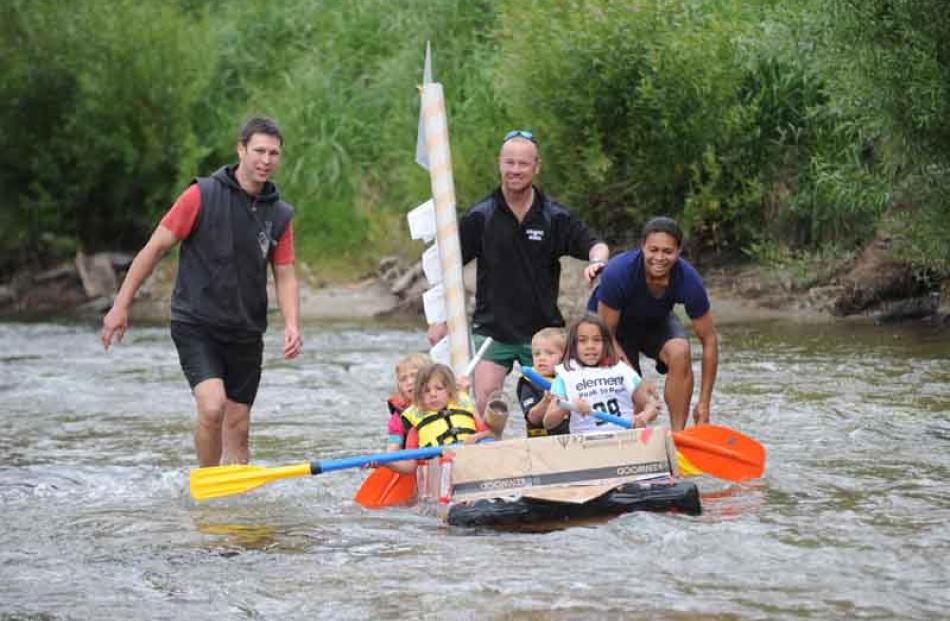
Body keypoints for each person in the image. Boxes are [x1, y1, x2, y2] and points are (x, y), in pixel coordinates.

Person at [100, 116, 302, 467]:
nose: (266, 160)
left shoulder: (279, 214)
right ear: (240, 150)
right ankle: (207, 485)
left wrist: (292, 324)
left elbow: (285, 274)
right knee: (212, 406)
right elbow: (154, 248)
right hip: (197, 323)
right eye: (258, 151)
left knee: (238, 426)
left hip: (246, 329)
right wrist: (120, 306)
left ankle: (235, 504)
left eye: (273, 153)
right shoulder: (201, 195)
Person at [428, 129, 609, 416]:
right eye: (509, 163)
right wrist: (440, 320)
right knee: (485, 405)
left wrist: (597, 262)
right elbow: (445, 270)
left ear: (536, 167)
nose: (515, 170)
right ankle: (487, 454)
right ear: (499, 163)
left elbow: (595, 245)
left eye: (523, 164)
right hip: (492, 331)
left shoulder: (554, 217)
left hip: (543, 333)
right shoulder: (480, 216)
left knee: (551, 409)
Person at [588, 216, 718, 431]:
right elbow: (605, 334)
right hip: (610, 331)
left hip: (654, 320)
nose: (659, 258)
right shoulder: (618, 272)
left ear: (678, 252)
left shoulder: (689, 279)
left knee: (680, 351)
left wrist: (704, 403)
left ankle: (678, 437)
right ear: (642, 248)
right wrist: (636, 382)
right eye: (653, 250)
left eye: (667, 252)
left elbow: (709, 340)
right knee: (637, 403)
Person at [543, 314, 660, 435]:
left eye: (597, 340)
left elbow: (651, 406)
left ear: (606, 343)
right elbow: (548, 422)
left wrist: (643, 418)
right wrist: (570, 406)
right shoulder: (565, 376)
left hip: (624, 439)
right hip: (585, 445)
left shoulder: (622, 370)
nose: (590, 346)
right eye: (583, 341)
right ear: (574, 345)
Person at [384, 363, 491, 474]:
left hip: (471, 461)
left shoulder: (466, 409)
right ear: (419, 396)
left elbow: (490, 434)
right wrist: (387, 463)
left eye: (439, 388)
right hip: (440, 470)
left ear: (450, 390)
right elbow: (410, 467)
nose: (433, 394)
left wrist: (477, 437)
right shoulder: (416, 427)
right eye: (426, 391)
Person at [517, 327, 569, 437]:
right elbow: (532, 418)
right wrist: (546, 401)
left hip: (572, 438)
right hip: (542, 441)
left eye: (549, 353)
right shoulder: (528, 381)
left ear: (565, 356)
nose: (541, 358)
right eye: (537, 354)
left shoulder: (572, 379)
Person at [384, 352, 431, 451]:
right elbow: (393, 448)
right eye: (403, 379)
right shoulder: (399, 418)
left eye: (414, 375)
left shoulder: (445, 401)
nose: (409, 382)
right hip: (416, 461)